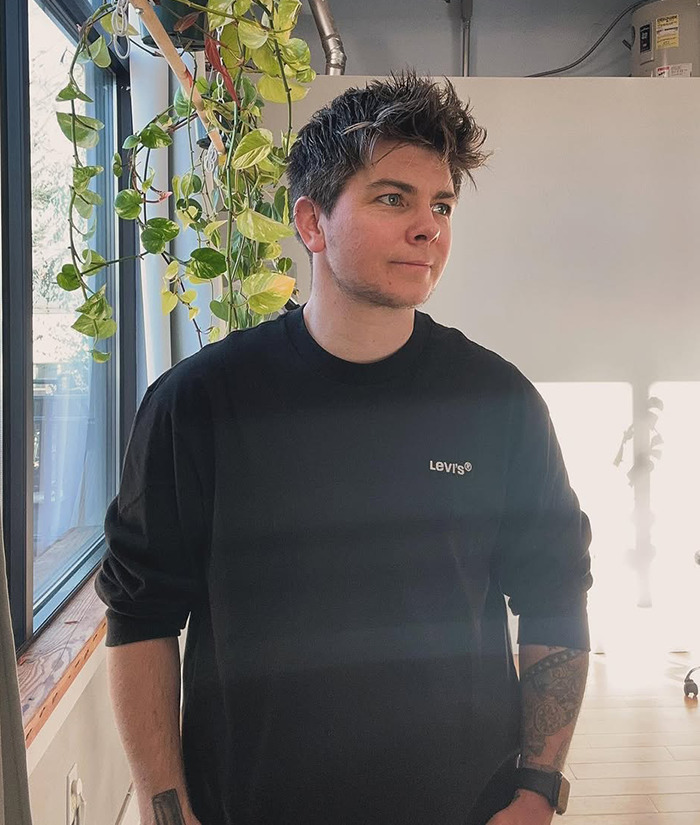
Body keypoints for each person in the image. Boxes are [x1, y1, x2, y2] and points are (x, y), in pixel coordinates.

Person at [96, 69, 592, 825]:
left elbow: (555, 592)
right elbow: (141, 614)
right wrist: (169, 811)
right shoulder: (198, 404)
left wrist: (537, 789)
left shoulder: (498, 402)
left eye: (442, 205)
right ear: (311, 222)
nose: (429, 227)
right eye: (393, 197)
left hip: (458, 806)